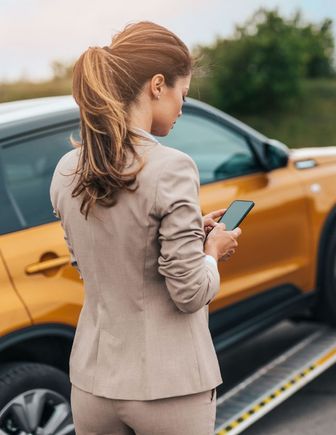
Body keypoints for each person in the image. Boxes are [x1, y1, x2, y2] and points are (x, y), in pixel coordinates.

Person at [49, 21, 241, 434]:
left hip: (92, 384)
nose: (182, 107)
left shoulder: (67, 168)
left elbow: (92, 262)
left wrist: (191, 230)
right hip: (168, 386)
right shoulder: (172, 166)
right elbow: (190, 293)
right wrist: (212, 251)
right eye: (182, 95)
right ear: (157, 85)